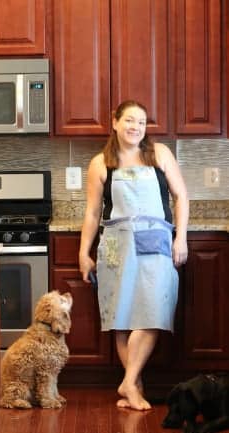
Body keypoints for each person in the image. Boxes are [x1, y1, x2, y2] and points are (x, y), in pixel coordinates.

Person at [78, 100, 189, 411]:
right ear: (114, 122)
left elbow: (181, 197)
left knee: (154, 311)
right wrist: (83, 252)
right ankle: (133, 387)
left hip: (155, 241)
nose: (135, 127)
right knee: (122, 317)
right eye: (129, 120)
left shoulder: (159, 154)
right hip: (116, 244)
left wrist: (180, 238)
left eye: (141, 122)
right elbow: (92, 212)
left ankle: (127, 382)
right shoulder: (101, 163)